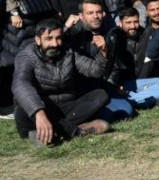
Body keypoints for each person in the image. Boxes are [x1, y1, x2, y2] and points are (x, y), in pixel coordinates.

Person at [12, 18, 111, 146]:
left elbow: (95, 71)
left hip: (65, 108)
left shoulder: (67, 52)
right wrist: (39, 113)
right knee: (23, 108)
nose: (55, 44)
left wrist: (103, 52)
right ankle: (76, 131)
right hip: (40, 108)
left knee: (101, 95)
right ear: (38, 40)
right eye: (49, 39)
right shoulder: (27, 56)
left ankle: (50, 132)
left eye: (58, 38)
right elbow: (20, 84)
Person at [0, 0, 55, 112]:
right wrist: (13, 12)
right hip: (16, 21)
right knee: (13, 60)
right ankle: (11, 101)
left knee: (30, 58)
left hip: (33, 15)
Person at [114, 7, 159, 109]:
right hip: (124, 84)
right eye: (128, 22)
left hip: (145, 82)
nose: (133, 26)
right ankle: (145, 99)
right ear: (120, 23)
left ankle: (132, 99)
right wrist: (116, 84)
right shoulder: (115, 38)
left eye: (135, 22)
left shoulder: (148, 33)